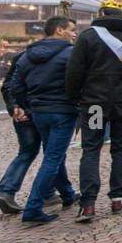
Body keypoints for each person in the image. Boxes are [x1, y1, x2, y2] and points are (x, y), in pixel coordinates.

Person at [64, 0, 122, 223]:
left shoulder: (88, 37)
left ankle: (88, 204)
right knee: (120, 149)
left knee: (91, 150)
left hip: (95, 105)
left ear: (102, 14)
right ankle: (117, 198)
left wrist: (75, 97)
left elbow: (74, 70)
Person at [9, 16, 80, 225]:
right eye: (72, 29)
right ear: (59, 30)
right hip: (62, 111)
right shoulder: (70, 53)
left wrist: (28, 106)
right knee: (53, 158)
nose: (74, 33)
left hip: (39, 112)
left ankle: (67, 194)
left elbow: (16, 85)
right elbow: (78, 81)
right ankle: (33, 208)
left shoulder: (27, 55)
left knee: (53, 154)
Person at [0, 45, 41, 215]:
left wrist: (15, 106)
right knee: (54, 154)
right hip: (45, 111)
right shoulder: (65, 54)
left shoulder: (22, 56)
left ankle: (6, 191)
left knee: (27, 152)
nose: (73, 35)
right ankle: (51, 193)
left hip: (22, 112)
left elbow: (8, 85)